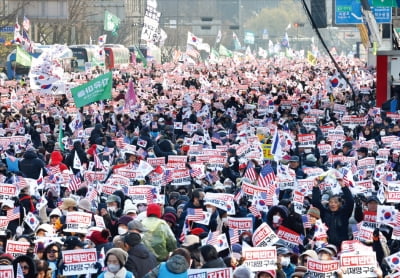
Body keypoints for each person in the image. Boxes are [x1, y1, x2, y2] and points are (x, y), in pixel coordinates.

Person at [311, 174, 355, 249]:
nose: (333, 204)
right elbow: (315, 202)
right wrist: (315, 187)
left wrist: (343, 186)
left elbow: (350, 201)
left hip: (342, 246)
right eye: (331, 202)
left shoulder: (344, 213)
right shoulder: (324, 213)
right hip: (327, 246)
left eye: (335, 202)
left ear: (340, 204)